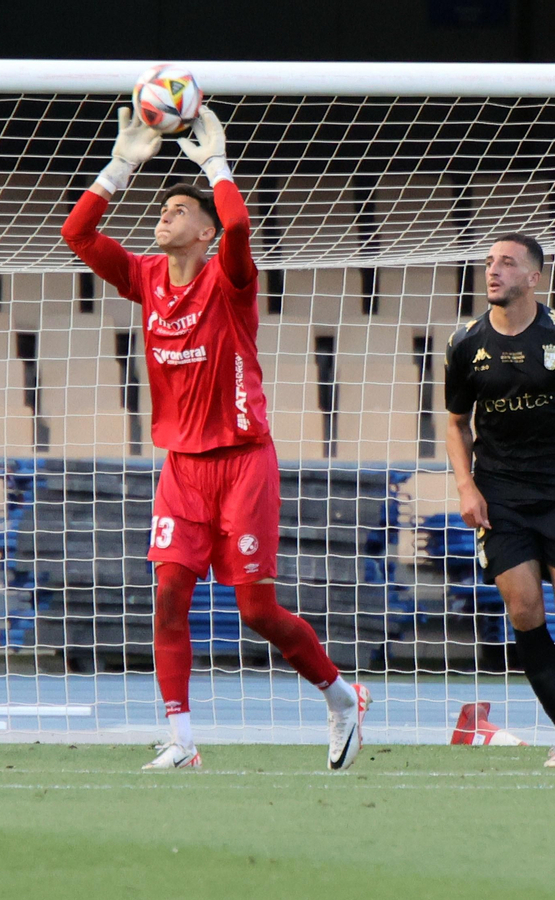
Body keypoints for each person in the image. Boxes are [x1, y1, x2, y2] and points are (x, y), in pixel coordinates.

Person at [62, 107, 369, 771]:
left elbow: (238, 224)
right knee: (169, 595)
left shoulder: (229, 283)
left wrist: (213, 165)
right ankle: (183, 740)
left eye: (178, 209)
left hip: (243, 463)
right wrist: (122, 165)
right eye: (164, 207)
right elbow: (77, 231)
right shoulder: (145, 277)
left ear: (203, 232)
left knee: (256, 609)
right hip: (183, 469)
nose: (164, 215)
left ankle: (341, 696)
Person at [443, 233, 555, 768]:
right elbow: (456, 424)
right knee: (523, 608)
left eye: (506, 263)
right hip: (500, 496)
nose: (493, 271)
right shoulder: (464, 344)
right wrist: (466, 486)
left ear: (533, 276)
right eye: (488, 263)